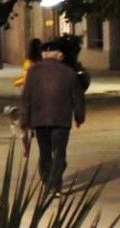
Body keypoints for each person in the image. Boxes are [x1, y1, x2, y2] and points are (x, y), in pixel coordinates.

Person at [19, 41, 86, 194]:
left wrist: (25, 120)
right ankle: (54, 184)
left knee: (45, 152)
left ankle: (48, 181)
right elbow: (77, 96)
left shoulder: (33, 72)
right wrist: (79, 116)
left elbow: (26, 97)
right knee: (60, 152)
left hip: (39, 119)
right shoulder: (68, 72)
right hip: (61, 119)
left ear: (44, 55)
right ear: (59, 55)